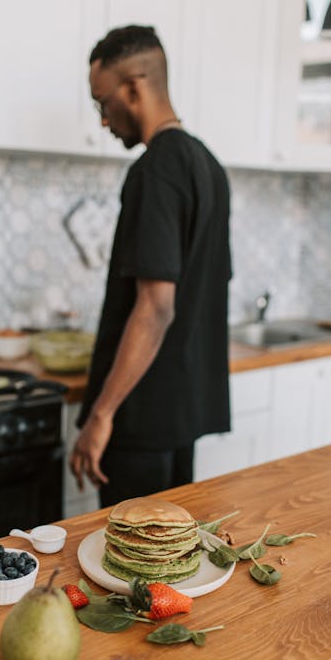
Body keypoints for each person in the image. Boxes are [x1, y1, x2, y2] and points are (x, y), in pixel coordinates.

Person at [69, 25, 232, 508]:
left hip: (139, 419)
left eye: (102, 103)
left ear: (134, 88)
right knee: (168, 567)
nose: (103, 120)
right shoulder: (210, 167)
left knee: (130, 568)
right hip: (179, 417)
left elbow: (156, 307)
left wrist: (101, 415)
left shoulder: (155, 169)